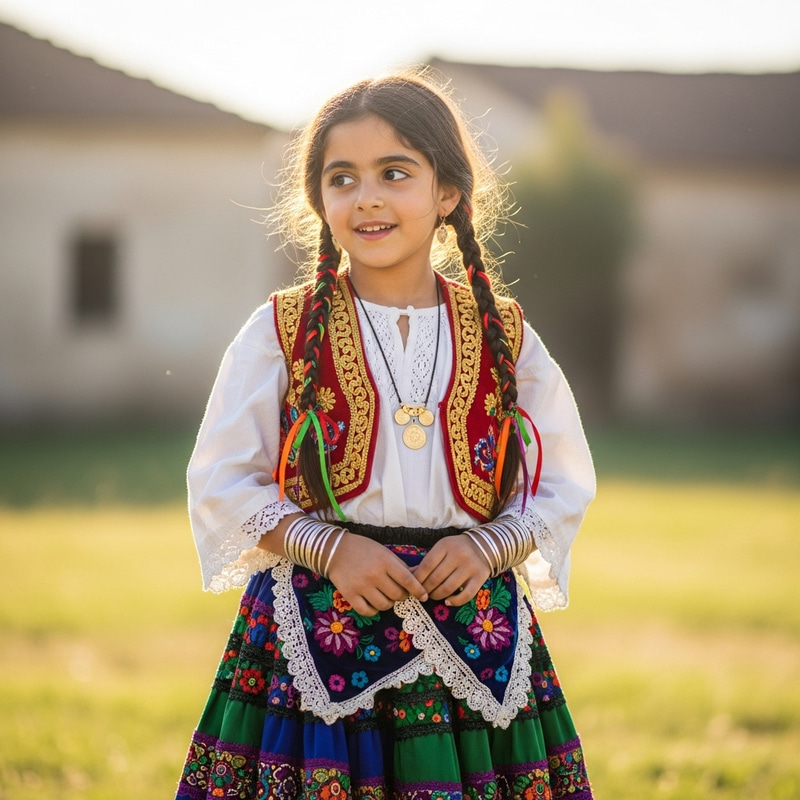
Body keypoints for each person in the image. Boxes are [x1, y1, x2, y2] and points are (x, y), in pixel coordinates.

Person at [175, 70, 596, 800]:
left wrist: (489, 545)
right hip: (317, 626)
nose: (366, 197)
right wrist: (331, 548)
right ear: (320, 202)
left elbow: (561, 477)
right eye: (343, 178)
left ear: (447, 194)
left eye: (394, 173)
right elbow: (220, 477)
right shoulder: (282, 328)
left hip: (474, 628)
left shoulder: (503, 333)